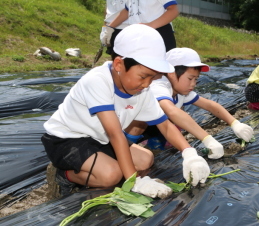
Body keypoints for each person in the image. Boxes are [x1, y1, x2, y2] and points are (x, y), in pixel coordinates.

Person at [41, 24, 210, 199]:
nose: (147, 84)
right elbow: (116, 135)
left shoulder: (142, 91)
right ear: (119, 64)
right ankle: (64, 175)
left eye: (153, 78)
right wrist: (134, 181)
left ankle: (98, 166)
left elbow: (165, 126)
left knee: (145, 159)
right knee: (111, 175)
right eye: (143, 76)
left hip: (99, 139)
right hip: (67, 140)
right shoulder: (97, 81)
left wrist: (189, 153)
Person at [124, 47, 254, 159]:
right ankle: (128, 148)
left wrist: (235, 123)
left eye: (196, 79)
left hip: (156, 128)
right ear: (172, 74)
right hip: (130, 129)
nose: (193, 84)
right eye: (190, 78)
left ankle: (157, 143)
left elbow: (210, 105)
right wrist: (207, 139)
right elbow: (172, 111)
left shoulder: (181, 91)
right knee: (151, 121)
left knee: (175, 118)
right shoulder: (159, 86)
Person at [102, 0, 179, 52]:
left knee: (160, 73)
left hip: (159, 33)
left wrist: (150, 25)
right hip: (138, 35)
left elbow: (173, 10)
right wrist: (110, 27)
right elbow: (127, 10)